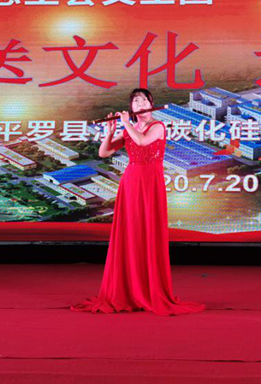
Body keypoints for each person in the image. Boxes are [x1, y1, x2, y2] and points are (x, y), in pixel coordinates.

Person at [70, 88, 206, 316]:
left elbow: (142, 142)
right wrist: (110, 131)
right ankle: (127, 290)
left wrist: (126, 123)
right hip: (131, 182)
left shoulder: (157, 126)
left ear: (151, 104)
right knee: (129, 231)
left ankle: (148, 289)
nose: (140, 103)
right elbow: (104, 153)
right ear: (131, 107)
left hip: (150, 182)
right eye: (136, 101)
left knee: (148, 231)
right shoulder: (130, 129)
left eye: (144, 100)